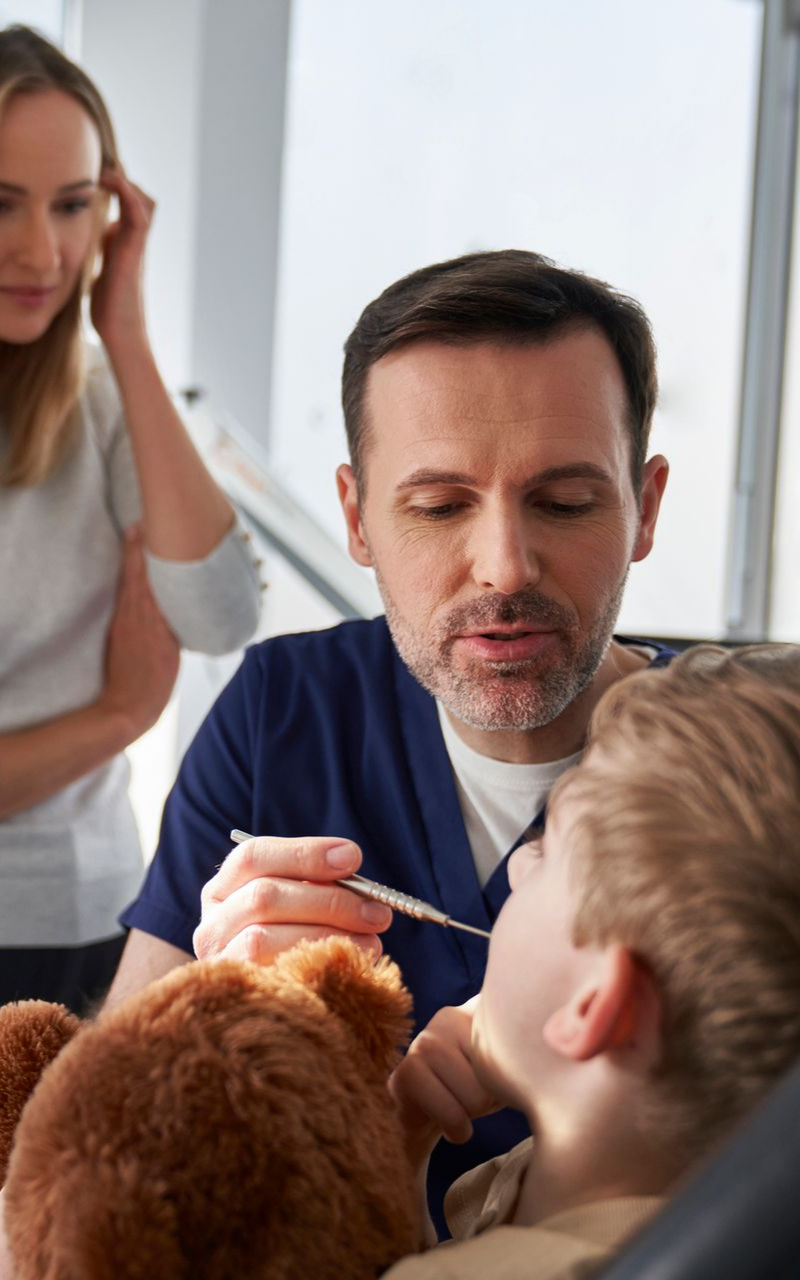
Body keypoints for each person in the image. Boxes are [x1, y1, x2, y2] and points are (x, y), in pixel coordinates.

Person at [109, 246, 672, 1223]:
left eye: (564, 500)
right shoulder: (281, 714)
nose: (500, 565)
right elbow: (100, 1132)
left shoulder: (750, 769)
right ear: (356, 519)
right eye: (437, 505)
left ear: (643, 507)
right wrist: (202, 1022)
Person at [382, 642, 800, 1278]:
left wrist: (385, 1148)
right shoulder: (562, 1185)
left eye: (548, 851)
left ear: (593, 1007)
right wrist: (406, 1139)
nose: (518, 863)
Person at [0, 26, 263, 1015]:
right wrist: (114, 716)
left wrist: (127, 334)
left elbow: (221, 611)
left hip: (83, 911)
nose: (44, 251)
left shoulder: (103, 399)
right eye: (3, 204)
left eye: (74, 205)